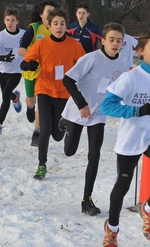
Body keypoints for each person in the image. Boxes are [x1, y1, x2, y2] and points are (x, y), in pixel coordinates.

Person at [100, 26, 150, 246]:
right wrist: (134, 110)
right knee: (122, 187)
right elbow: (107, 106)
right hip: (131, 136)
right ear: (141, 50)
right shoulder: (130, 78)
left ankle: (149, 208)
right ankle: (112, 229)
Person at [60, 22, 128, 216]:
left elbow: (123, 89)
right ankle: (65, 124)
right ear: (103, 41)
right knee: (69, 151)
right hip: (78, 110)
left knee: (94, 155)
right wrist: (81, 104)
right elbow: (68, 80)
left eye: (119, 40)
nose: (115, 43)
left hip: (98, 114)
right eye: (111, 40)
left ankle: (86, 200)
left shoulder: (122, 65)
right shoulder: (91, 58)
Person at [20, 8, 85, 180]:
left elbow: (84, 66)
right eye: (55, 23)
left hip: (64, 93)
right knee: (45, 129)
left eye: (62, 23)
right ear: (49, 26)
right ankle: (42, 165)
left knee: (57, 135)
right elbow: (25, 62)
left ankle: (64, 126)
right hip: (45, 90)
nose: (59, 26)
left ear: (66, 26)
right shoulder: (41, 44)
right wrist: (27, 66)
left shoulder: (75, 45)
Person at [18, 0, 59, 147]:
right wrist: (33, 56)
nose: (51, 15)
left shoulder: (57, 29)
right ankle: (29, 107)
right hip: (32, 69)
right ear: (41, 14)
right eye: (49, 12)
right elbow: (21, 49)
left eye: (54, 12)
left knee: (42, 104)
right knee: (32, 100)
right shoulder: (34, 28)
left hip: (47, 73)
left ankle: (37, 131)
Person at [0, 7, 25, 135]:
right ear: (4, 21)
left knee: (5, 96)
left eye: (13, 20)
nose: (10, 22)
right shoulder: (0, 37)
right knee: (7, 93)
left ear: (18, 21)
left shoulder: (24, 34)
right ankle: (15, 97)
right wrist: (3, 57)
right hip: (3, 70)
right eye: (8, 20)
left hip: (17, 70)